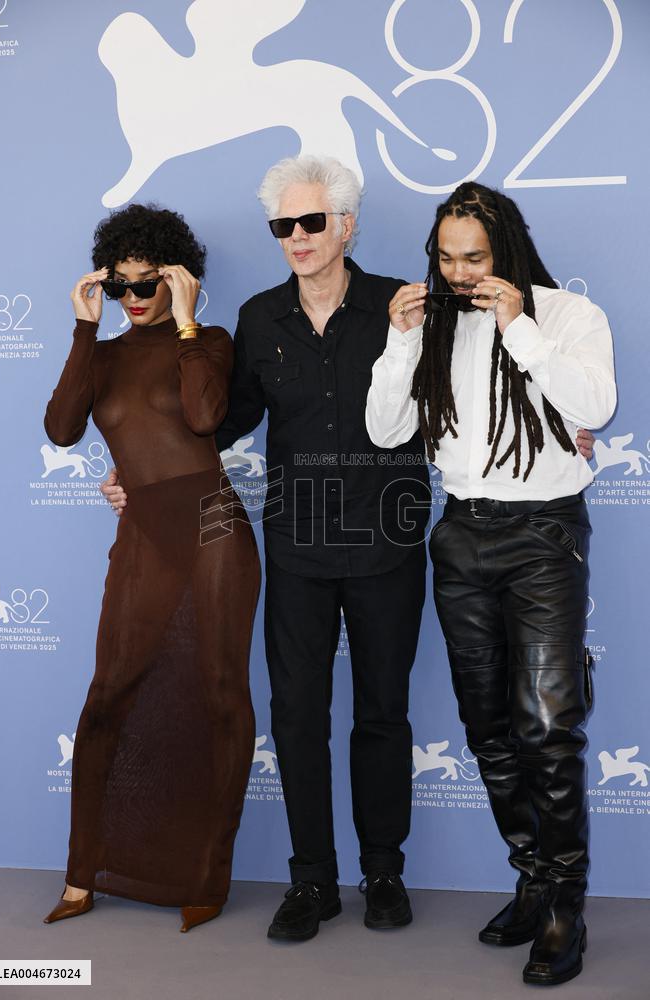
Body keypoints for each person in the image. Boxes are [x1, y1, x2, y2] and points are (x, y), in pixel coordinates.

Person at [104, 156, 432, 939]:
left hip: (388, 539)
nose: (296, 237)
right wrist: (143, 474)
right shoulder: (256, 319)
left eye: (311, 222)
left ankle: (382, 871)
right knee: (296, 715)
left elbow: (458, 391)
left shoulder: (401, 305)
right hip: (297, 546)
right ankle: (312, 880)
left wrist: (565, 429)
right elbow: (221, 423)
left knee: (384, 712)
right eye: (282, 225)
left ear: (346, 224)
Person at [366, 182, 615, 986]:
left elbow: (597, 406)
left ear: (506, 249)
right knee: (487, 728)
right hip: (462, 532)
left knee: (546, 727)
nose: (462, 273)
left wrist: (521, 331)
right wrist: (402, 342)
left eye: (476, 257)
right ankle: (534, 880)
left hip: (543, 533)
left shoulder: (567, 315)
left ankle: (565, 908)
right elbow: (386, 429)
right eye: (447, 257)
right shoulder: (434, 324)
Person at [43, 204, 260, 933]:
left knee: (221, 693)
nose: (134, 299)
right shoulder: (101, 355)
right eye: (121, 286)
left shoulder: (212, 341)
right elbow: (62, 428)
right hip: (145, 533)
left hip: (212, 527)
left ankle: (206, 878)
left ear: (177, 280)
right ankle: (83, 874)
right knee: (110, 693)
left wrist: (191, 322)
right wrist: (82, 328)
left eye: (149, 284)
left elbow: (203, 418)